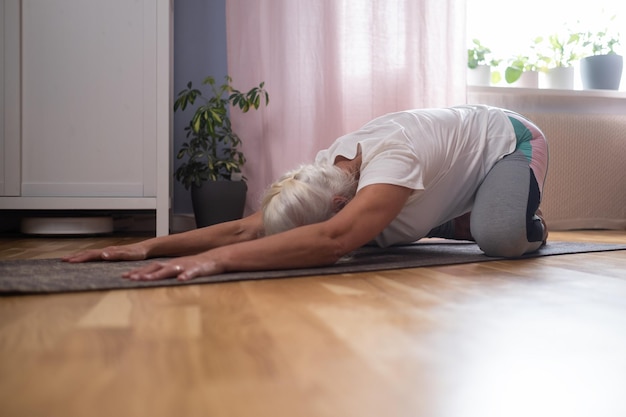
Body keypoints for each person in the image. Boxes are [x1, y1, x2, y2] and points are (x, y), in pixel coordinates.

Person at [63, 104, 549, 282]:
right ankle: (446, 217)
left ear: (339, 204)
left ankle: (517, 219)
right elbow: (244, 227)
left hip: (509, 141)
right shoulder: (319, 174)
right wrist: (148, 245)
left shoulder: (395, 160)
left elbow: (333, 239)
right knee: (376, 235)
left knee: (498, 239)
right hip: (430, 176)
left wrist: (216, 263)